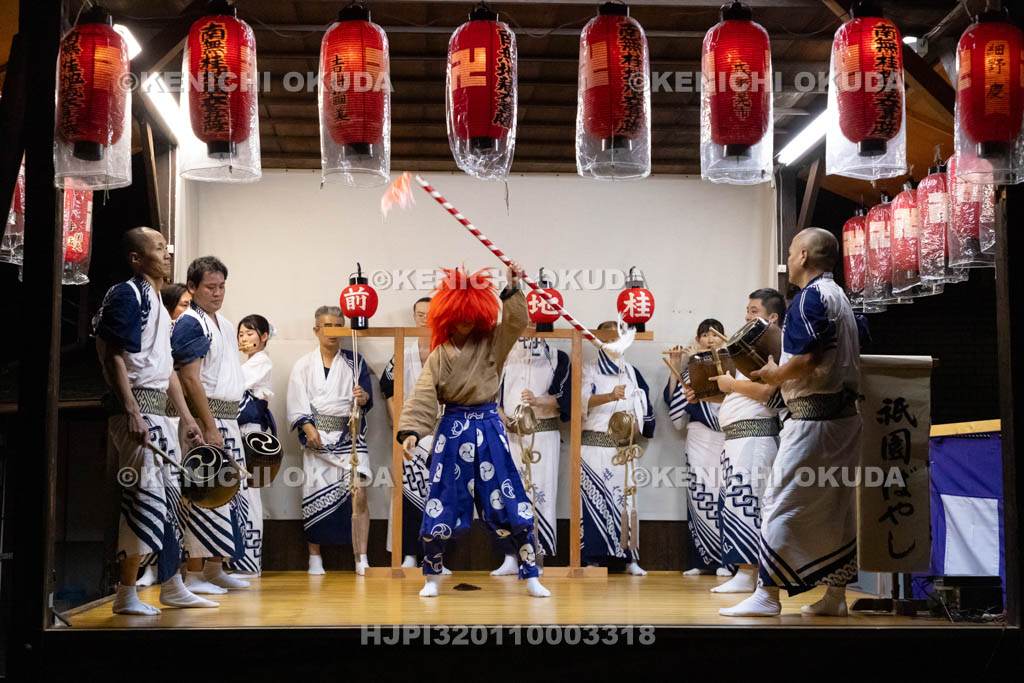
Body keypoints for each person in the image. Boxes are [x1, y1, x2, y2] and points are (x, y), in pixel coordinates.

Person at [721, 228, 862, 617]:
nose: (787, 257)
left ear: (802, 256)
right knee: (838, 508)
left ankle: (767, 595)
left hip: (813, 419)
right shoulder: (841, 298)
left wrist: (772, 374)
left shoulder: (809, 298)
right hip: (845, 419)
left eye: (789, 251)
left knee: (778, 503)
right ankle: (835, 597)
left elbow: (808, 359)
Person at [397, 264, 549, 598]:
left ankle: (531, 573)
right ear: (449, 316)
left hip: (489, 427)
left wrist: (512, 288)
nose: (467, 320)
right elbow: (423, 394)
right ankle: (432, 576)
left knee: (510, 498)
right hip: (452, 429)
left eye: (471, 314)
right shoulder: (439, 355)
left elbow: (515, 322)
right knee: (441, 501)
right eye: (460, 315)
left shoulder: (492, 343)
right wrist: (410, 430)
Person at [94, 228, 216, 614]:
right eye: (158, 249)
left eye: (167, 248)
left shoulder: (160, 309)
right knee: (143, 498)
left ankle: (172, 584)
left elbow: (168, 372)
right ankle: (126, 593)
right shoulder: (126, 293)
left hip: (159, 412)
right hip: (137, 411)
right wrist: (130, 410)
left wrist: (188, 418)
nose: (167, 254)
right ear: (136, 258)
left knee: (169, 502)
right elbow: (114, 354)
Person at [171, 256, 253, 595]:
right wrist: (207, 425)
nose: (218, 293)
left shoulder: (224, 322)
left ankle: (216, 568)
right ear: (192, 287)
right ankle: (194, 573)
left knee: (230, 497)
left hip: (228, 417)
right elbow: (190, 379)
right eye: (210, 287)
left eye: (222, 286)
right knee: (203, 496)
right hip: (206, 420)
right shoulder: (191, 323)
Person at [702, 289, 786, 599]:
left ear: (772, 317)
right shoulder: (747, 349)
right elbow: (740, 393)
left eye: (753, 311)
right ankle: (744, 571)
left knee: (748, 504)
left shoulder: (773, 345)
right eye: (747, 310)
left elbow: (768, 394)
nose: (747, 316)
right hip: (738, 436)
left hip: (756, 436)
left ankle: (751, 572)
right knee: (736, 503)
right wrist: (711, 392)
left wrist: (731, 384)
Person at [286, 306, 373, 575]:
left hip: (350, 438)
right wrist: (308, 426)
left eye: (338, 326)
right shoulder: (303, 365)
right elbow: (296, 402)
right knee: (314, 494)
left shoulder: (354, 361)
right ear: (316, 330)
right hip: (317, 440)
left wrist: (363, 398)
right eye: (328, 326)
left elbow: (367, 401)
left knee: (359, 493)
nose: (333, 332)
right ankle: (315, 556)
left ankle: (361, 557)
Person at [493, 319, 571, 575]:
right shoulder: (504, 356)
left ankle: (538, 557)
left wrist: (538, 401)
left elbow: (566, 399)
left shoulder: (558, 358)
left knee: (542, 492)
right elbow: (493, 394)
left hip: (543, 433)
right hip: (510, 433)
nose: (529, 329)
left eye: (535, 323)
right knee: (509, 493)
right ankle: (510, 557)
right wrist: (502, 417)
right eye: (525, 323)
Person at [380, 296, 452, 573]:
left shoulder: (449, 352)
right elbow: (388, 390)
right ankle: (409, 553)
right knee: (407, 496)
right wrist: (401, 425)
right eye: (420, 314)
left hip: (443, 433)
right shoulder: (403, 353)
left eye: (430, 314)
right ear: (414, 317)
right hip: (409, 436)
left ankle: (436, 556)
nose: (424, 319)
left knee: (442, 497)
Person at [580, 320, 655, 575]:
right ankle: (591, 559)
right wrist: (610, 395)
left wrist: (635, 428)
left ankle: (630, 558)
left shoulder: (633, 372)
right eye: (609, 338)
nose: (614, 343)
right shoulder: (588, 369)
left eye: (618, 338)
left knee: (627, 502)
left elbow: (646, 410)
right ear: (599, 341)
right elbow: (579, 402)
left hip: (624, 448)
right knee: (592, 502)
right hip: (594, 447)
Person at [664, 319, 730, 577]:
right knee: (699, 495)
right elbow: (678, 417)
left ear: (723, 339)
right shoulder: (690, 371)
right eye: (705, 335)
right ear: (698, 339)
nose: (710, 340)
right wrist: (676, 370)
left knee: (726, 497)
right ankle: (701, 561)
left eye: (715, 335)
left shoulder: (730, 369)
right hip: (700, 438)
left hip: (726, 438)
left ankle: (728, 562)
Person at [231, 314, 277, 577]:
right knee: (238, 492)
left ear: (264, 337)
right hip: (239, 433)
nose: (244, 339)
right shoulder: (248, 364)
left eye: (250, 333)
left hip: (251, 435)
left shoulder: (261, 363)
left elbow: (234, 385)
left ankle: (249, 562)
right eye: (241, 334)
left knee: (250, 493)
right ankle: (237, 559)